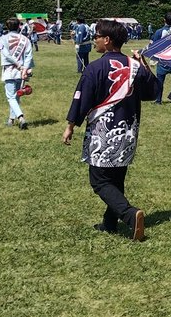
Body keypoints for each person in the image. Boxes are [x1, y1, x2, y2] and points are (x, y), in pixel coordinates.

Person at [62, 20, 158, 240]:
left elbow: (81, 100)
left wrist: (70, 126)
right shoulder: (134, 66)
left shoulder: (95, 68)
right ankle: (110, 223)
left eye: (97, 36)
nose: (94, 40)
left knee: (99, 181)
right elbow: (153, 91)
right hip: (128, 132)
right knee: (116, 179)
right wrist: (142, 64)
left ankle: (130, 215)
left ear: (107, 40)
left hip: (103, 132)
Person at [0, 18, 34, 130]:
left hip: (10, 70)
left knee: (11, 97)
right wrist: (25, 68)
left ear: (7, 27)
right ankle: (11, 119)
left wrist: (19, 65)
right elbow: (29, 56)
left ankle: (20, 117)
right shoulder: (25, 39)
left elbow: (6, 54)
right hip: (21, 72)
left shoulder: (3, 38)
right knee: (16, 96)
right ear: (19, 26)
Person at [150, 13, 171, 104]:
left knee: (160, 81)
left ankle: (158, 100)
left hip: (162, 60)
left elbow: (154, 45)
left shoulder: (159, 32)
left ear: (164, 20)